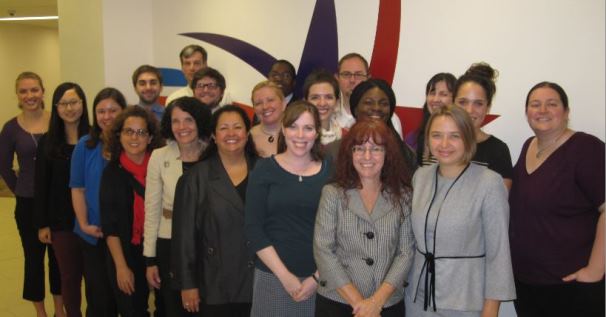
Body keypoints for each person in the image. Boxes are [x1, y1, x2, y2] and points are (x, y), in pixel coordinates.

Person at [405, 105, 515, 316]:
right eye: (437, 135)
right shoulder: (421, 176)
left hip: (464, 301)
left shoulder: (489, 183)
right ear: (427, 140)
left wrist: (491, 309)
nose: (444, 144)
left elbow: (498, 253)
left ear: (468, 138)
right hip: (417, 297)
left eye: (454, 136)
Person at [509, 82, 605, 316]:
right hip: (526, 283)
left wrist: (595, 270)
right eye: (535, 104)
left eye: (552, 104)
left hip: (570, 288)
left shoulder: (586, 148)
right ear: (526, 112)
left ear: (566, 112)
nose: (542, 110)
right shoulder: (528, 146)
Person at [313, 119, 414, 317]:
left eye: (376, 149)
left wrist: (376, 302)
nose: (367, 156)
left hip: (386, 304)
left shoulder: (404, 196)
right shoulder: (333, 194)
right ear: (350, 154)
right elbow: (323, 250)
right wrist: (361, 305)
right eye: (359, 148)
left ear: (388, 154)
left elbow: (406, 252)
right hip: (338, 302)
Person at [245, 101, 333, 316]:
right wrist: (285, 277)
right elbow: (253, 229)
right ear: (283, 129)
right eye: (293, 126)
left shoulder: (332, 169)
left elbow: (340, 230)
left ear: (317, 132)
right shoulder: (264, 169)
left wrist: (316, 277)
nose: (300, 135)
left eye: (308, 128)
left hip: (323, 280)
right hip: (273, 277)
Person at [172, 105, 258, 316]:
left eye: (237, 127)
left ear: (247, 134)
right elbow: (184, 237)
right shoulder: (195, 178)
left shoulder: (265, 171)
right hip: (214, 283)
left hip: (259, 279)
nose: (231, 134)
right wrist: (187, 284)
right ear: (213, 135)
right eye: (224, 128)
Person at [143, 97, 212, 316]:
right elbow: (152, 210)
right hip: (168, 243)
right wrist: (150, 259)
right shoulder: (159, 156)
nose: (182, 127)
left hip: (208, 243)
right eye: (175, 121)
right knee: (174, 307)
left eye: (188, 120)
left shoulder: (213, 153)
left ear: (199, 121)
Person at [0, 71, 61, 317]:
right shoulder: (11, 128)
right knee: (33, 260)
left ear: (43, 91)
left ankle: (60, 309)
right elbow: (4, 166)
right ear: (17, 95)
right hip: (27, 204)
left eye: (34, 89)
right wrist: (20, 190)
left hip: (56, 202)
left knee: (58, 260)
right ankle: (41, 312)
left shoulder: (56, 121)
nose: (30, 95)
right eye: (24, 91)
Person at [100, 106, 163, 316]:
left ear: (150, 137)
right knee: (133, 311)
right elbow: (110, 226)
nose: (134, 137)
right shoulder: (111, 173)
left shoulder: (161, 167)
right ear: (119, 135)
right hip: (126, 253)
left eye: (141, 132)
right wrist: (121, 267)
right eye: (128, 131)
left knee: (165, 308)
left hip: (158, 249)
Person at [34, 82, 90, 317]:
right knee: (68, 277)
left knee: (95, 277)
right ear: (56, 108)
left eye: (74, 102)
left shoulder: (95, 138)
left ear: (83, 104)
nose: (69, 108)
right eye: (64, 104)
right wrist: (43, 223)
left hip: (93, 219)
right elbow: (41, 185)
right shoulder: (48, 142)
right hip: (61, 222)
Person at [70, 87, 127, 316]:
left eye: (113, 110)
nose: (107, 116)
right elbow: (77, 188)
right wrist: (83, 224)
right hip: (92, 233)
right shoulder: (85, 145)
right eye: (101, 111)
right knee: (99, 296)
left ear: (123, 112)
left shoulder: (131, 143)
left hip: (123, 235)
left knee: (124, 294)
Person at [326, 79, 416, 173]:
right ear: (355, 109)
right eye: (368, 103)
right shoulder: (334, 152)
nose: (376, 108)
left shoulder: (406, 154)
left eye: (383, 104)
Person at [453, 62, 512, 189]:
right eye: (463, 102)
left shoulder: (498, 150)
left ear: (488, 108)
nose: (469, 110)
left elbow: (498, 204)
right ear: (453, 104)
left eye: (478, 103)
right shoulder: (437, 143)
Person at [333, 53, 403, 138]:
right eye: (346, 74)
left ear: (368, 78)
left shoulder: (389, 118)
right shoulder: (329, 115)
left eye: (358, 75)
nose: (352, 80)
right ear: (337, 78)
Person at [404, 73, 456, 166]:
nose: (436, 99)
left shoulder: (464, 137)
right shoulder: (413, 139)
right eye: (432, 93)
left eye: (443, 94)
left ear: (455, 99)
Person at [303, 70, 342, 145]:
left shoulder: (346, 136)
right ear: (305, 102)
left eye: (328, 97)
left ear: (337, 102)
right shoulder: (298, 138)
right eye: (315, 97)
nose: (322, 103)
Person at [250, 80, 286, 157]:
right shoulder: (248, 138)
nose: (265, 107)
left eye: (270, 100)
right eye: (258, 103)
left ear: (283, 103)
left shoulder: (298, 134)